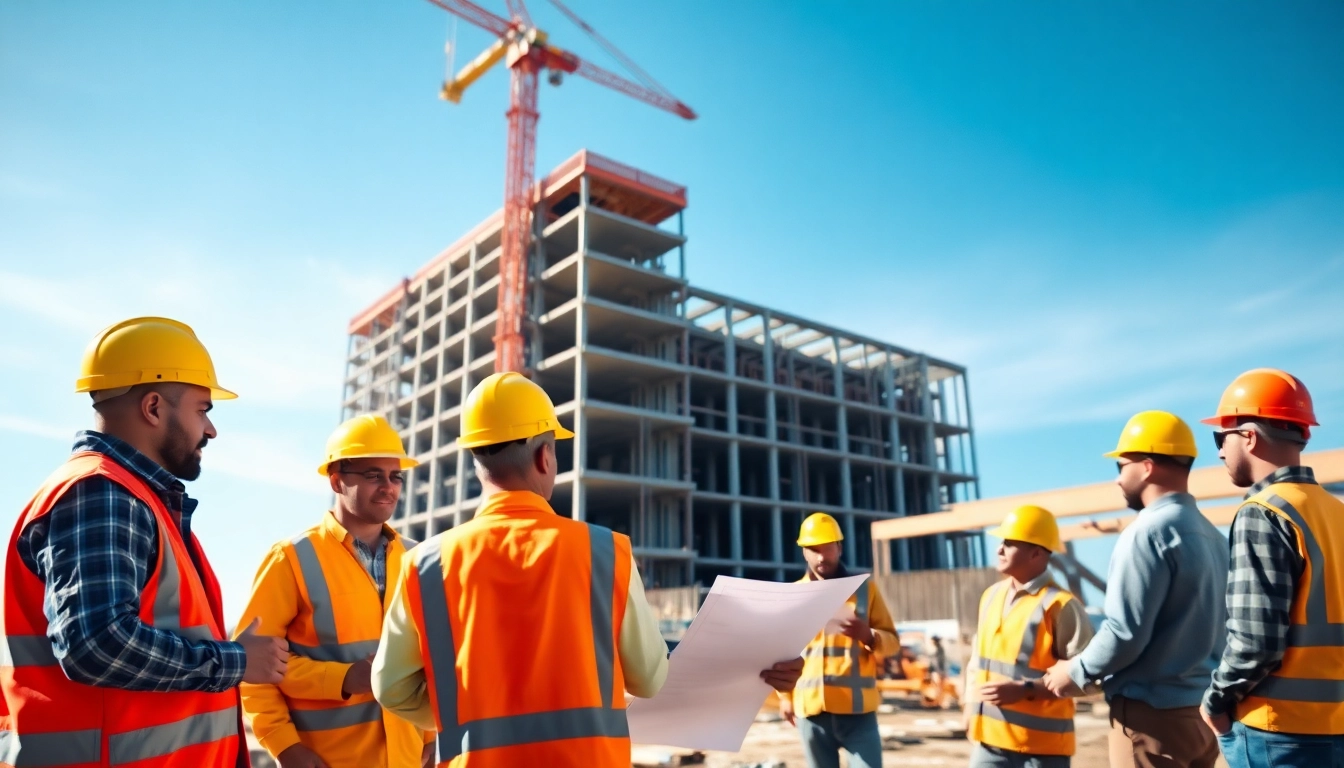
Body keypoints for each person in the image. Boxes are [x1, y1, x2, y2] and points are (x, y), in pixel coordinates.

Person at [372, 372, 803, 766]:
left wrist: (467, 708)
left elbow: (390, 687)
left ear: (475, 460)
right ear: (544, 456)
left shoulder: (424, 564)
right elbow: (649, 679)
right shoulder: (605, 552)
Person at [0, 316, 288, 767]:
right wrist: (235, 661)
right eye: (203, 410)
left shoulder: (136, 499)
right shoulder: (101, 492)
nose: (211, 430)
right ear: (153, 408)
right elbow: (96, 645)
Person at [237, 415, 435, 768]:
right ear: (336, 480)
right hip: (325, 761)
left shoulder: (416, 558)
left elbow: (427, 658)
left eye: (395, 476)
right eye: (373, 475)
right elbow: (253, 669)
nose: (388, 487)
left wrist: (430, 736)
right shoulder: (291, 558)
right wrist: (285, 746)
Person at [1041, 411, 1227, 768]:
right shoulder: (1213, 537)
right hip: (1201, 713)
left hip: (1151, 717)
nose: (1117, 479)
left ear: (1145, 467)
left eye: (1120, 466)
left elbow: (1125, 632)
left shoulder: (1147, 531)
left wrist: (1075, 671)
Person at [1196, 369, 1344, 766]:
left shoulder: (1263, 512)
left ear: (1248, 436)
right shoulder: (1336, 512)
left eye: (1221, 438)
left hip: (1278, 731)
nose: (1220, 453)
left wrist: (1216, 700)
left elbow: (1255, 642)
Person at [966, 505, 1093, 768]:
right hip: (988, 743)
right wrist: (969, 707)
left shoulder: (1061, 606)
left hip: (1041, 751)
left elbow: (1090, 678)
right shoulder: (990, 596)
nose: (999, 549)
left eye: (1009, 543)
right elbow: (977, 662)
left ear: (1036, 553)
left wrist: (1025, 690)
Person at [778, 512, 901, 768]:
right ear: (804, 552)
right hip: (811, 712)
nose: (822, 556)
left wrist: (869, 636)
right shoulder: (793, 595)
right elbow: (782, 653)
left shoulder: (865, 591)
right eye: (814, 549)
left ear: (840, 548)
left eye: (828, 548)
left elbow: (893, 643)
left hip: (858, 712)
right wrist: (785, 697)